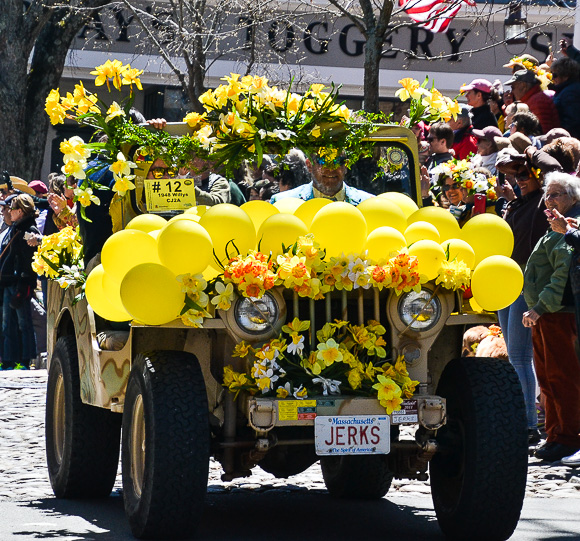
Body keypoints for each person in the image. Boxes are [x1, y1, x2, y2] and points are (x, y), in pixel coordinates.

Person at [495, 149, 562, 444]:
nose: (519, 180)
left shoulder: (541, 203)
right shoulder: (519, 204)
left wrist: (531, 152)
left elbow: (555, 167)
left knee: (521, 358)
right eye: (515, 176)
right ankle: (521, 419)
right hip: (507, 283)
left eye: (524, 175)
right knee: (516, 357)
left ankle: (526, 424)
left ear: (537, 175)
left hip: (528, 285)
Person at [523, 172, 580, 461]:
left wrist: (538, 308)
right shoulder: (556, 224)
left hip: (558, 313)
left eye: (557, 194)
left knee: (562, 377)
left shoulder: (571, 225)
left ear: (574, 198)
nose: (550, 199)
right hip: (545, 314)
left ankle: (568, 436)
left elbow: (561, 277)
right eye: (548, 194)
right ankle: (554, 434)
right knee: (547, 378)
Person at [0, 194, 39, 369]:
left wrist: (24, 284)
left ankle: (26, 359)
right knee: (8, 324)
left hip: (21, 283)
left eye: (12, 209)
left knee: (24, 323)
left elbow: (29, 259)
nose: (9, 212)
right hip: (9, 282)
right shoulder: (16, 229)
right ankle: (9, 360)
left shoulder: (28, 230)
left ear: (20, 211)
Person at [270, 152, 373, 205]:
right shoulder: (282, 202)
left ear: (346, 165)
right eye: (323, 160)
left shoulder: (368, 204)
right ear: (309, 165)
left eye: (337, 161)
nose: (331, 168)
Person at [550, 57, 580, 139]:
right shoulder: (565, 90)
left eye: (555, 75)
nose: (552, 79)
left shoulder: (570, 93)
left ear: (566, 75)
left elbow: (572, 122)